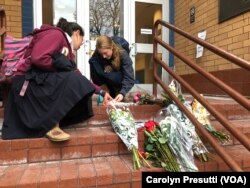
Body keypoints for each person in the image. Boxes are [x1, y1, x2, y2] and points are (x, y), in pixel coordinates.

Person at [1, 18, 112, 142]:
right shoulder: (57, 35)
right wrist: (60, 65)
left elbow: (78, 76)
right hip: (25, 85)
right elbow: (38, 58)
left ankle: (52, 122)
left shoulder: (67, 52)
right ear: (76, 33)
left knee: (74, 80)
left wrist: (101, 92)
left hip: (35, 83)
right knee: (69, 79)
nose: (82, 43)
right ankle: (51, 125)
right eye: (82, 38)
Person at [89, 35, 135, 102]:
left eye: (105, 53)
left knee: (119, 101)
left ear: (111, 47)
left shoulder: (123, 54)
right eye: (101, 54)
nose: (103, 56)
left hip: (120, 85)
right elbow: (96, 78)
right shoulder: (96, 57)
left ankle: (118, 94)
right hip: (106, 84)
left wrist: (122, 93)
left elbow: (129, 77)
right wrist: (105, 92)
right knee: (93, 62)